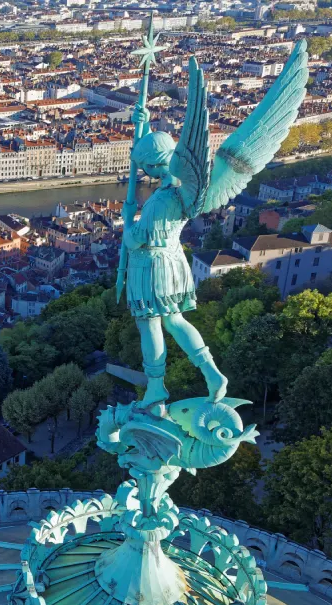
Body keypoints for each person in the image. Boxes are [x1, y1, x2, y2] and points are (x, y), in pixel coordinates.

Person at [123, 121, 227, 408]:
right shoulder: (182, 191)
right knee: (175, 320)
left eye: (145, 167)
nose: (144, 172)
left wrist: (127, 219)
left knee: (149, 324)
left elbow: (135, 240)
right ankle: (212, 373)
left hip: (151, 267)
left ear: (154, 165)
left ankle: (156, 387)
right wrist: (142, 122)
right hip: (174, 261)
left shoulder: (161, 200)